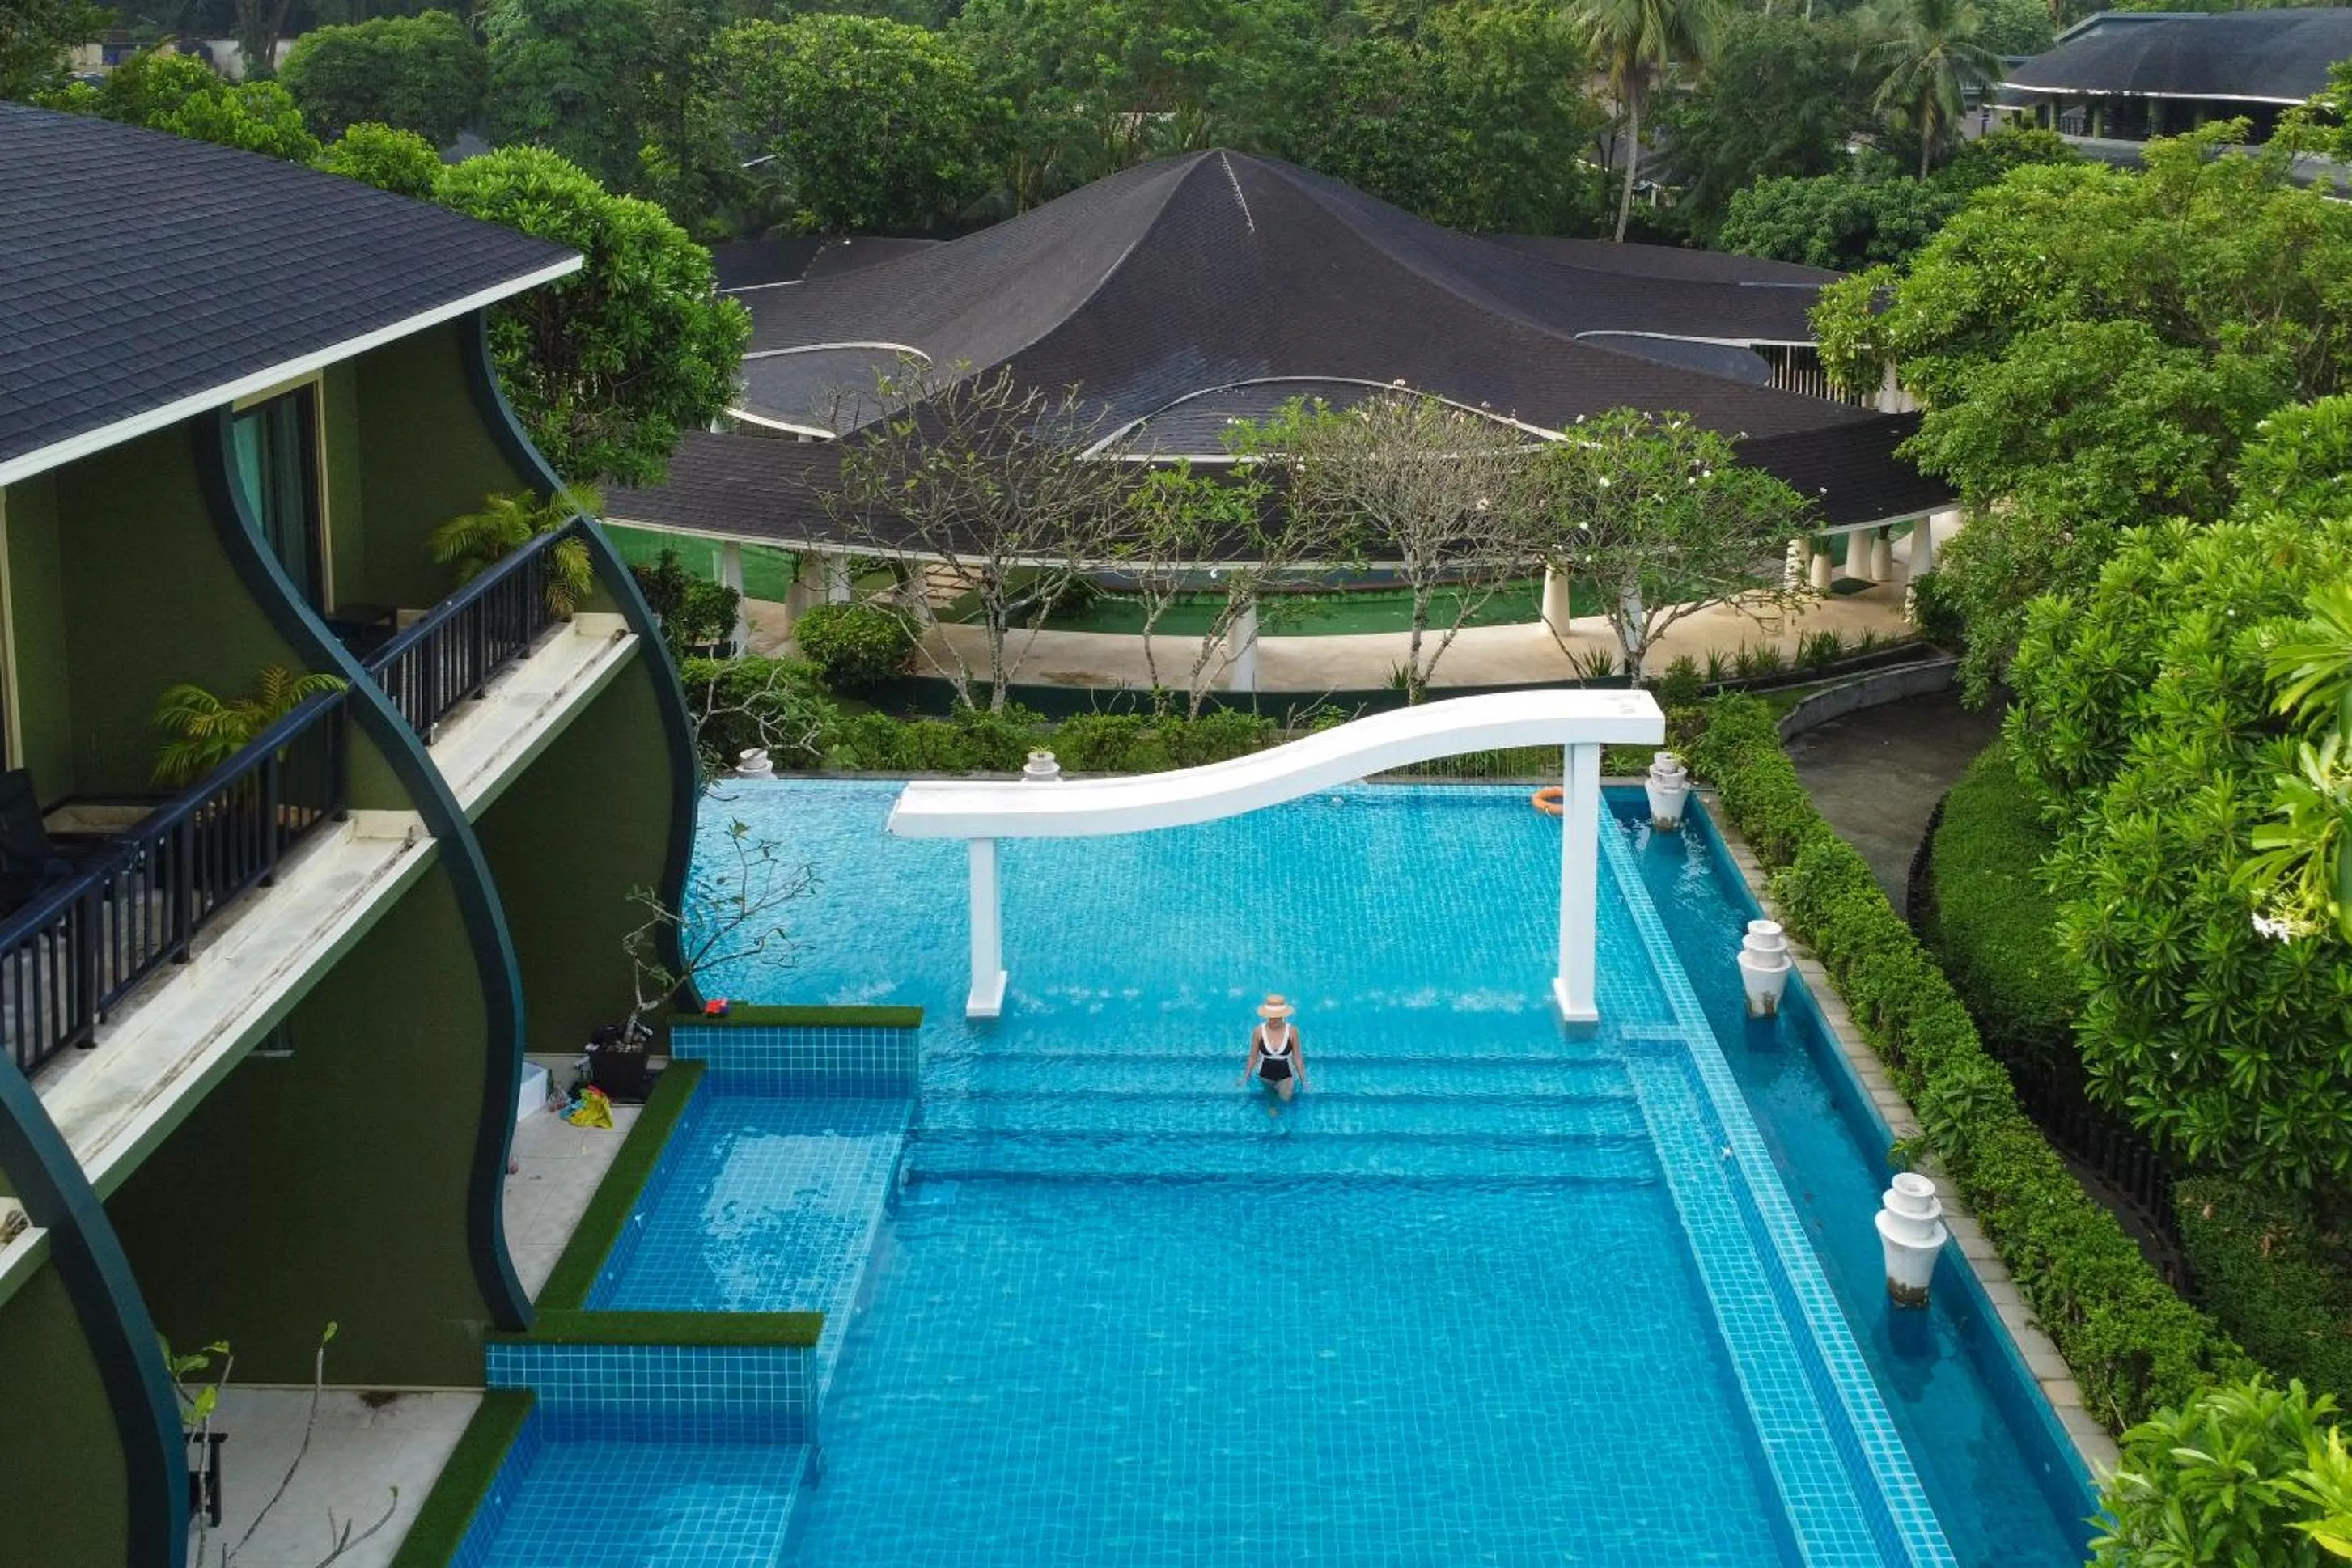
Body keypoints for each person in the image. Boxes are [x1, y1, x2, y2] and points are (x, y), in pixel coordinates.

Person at [1237, 994, 1307, 1102]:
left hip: (1286, 1076)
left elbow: (1297, 1058)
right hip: (1264, 1076)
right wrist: (1245, 1077)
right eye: (1271, 1016)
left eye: (1277, 1016)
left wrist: (1304, 1081)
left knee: (1286, 1100)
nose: (1274, 1019)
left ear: (1283, 1015)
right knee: (1271, 1107)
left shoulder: (1292, 1031)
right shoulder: (1259, 1031)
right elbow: (1253, 1057)